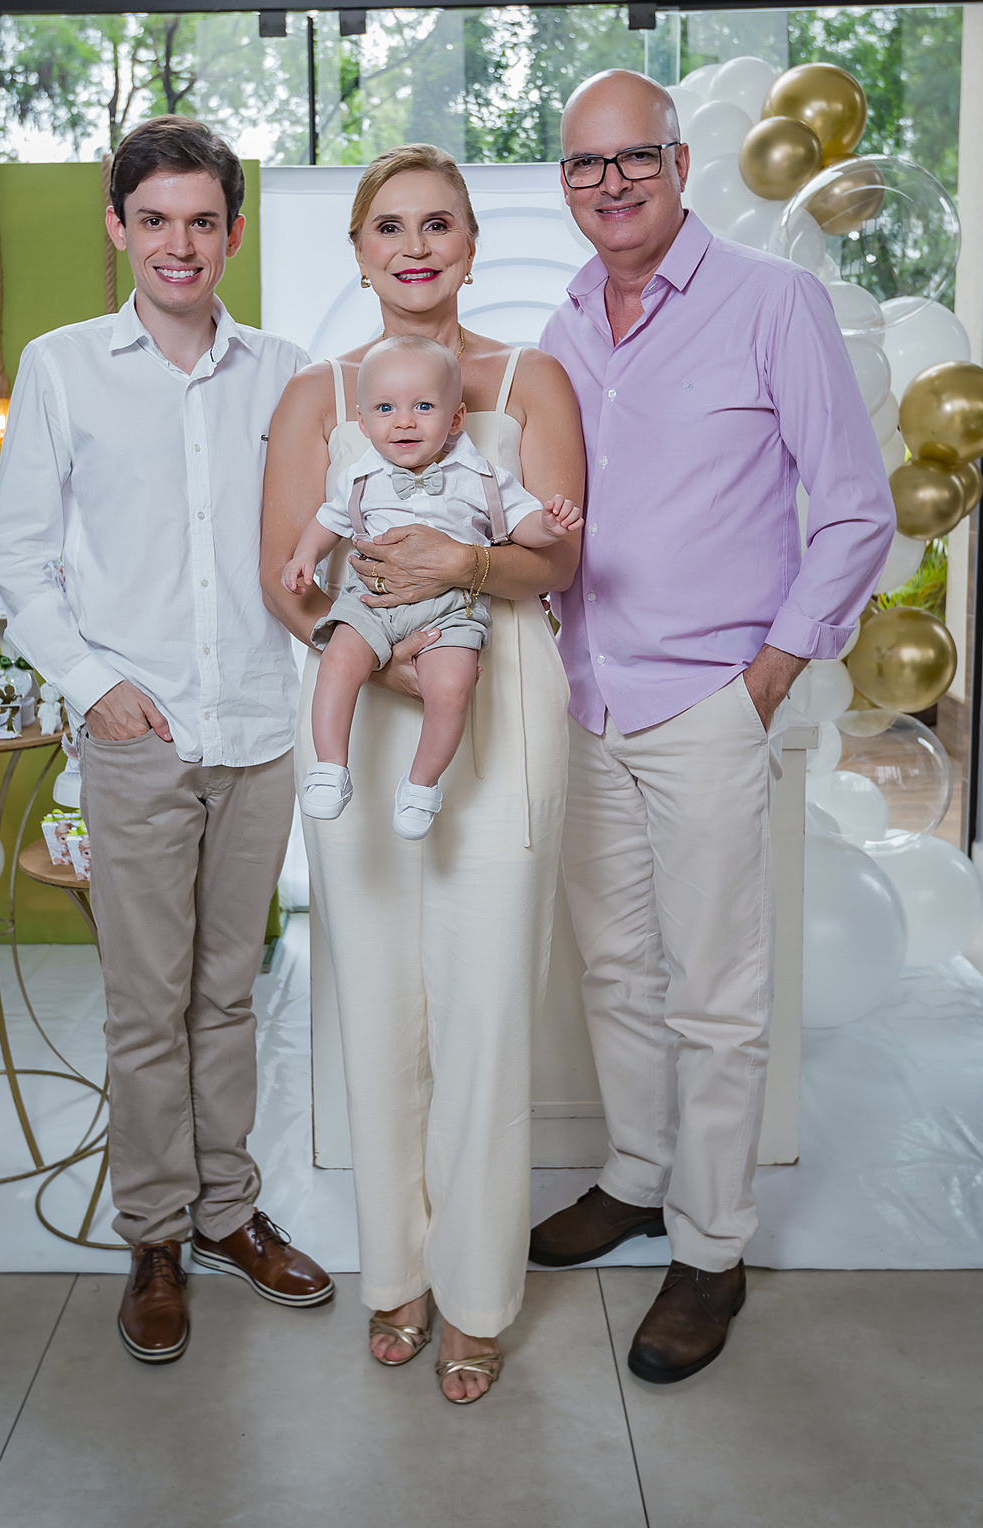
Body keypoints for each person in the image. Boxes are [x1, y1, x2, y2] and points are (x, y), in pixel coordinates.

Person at [529, 71, 896, 1383]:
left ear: (681, 165)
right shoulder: (564, 325)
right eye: (587, 164)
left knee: (718, 997)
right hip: (587, 696)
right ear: (566, 184)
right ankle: (635, 1177)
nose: (612, 182)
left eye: (635, 157)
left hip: (710, 701)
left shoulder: (771, 302)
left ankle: (712, 1247)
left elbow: (853, 506)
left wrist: (774, 669)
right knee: (615, 971)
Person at [0, 115, 333, 1367]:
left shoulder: (287, 372)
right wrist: (94, 687)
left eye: (201, 221)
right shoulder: (62, 366)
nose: (178, 244)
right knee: (148, 1005)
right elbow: (16, 558)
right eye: (154, 220)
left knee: (229, 993)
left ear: (233, 232)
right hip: (135, 735)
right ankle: (153, 1236)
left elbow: (320, 537)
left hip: (257, 727)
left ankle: (228, 1213)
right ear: (118, 227)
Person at [261, 143, 584, 1404]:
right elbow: (287, 582)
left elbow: (556, 564)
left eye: (438, 223)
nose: (415, 246)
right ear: (357, 250)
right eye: (388, 226)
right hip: (365, 707)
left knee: (488, 1009)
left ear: (470, 243)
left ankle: (478, 1293)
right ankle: (394, 1271)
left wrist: (464, 573)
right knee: (378, 1002)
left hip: (498, 698)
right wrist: (387, 671)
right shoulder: (317, 395)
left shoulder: (530, 380)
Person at [284, 334, 582, 838]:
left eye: (423, 407)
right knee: (338, 661)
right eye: (386, 408)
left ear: (456, 418)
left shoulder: (479, 476)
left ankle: (422, 783)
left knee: (451, 686)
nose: (404, 421)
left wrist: (548, 527)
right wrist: (304, 557)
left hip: (452, 605)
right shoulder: (360, 478)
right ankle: (330, 766)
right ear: (363, 423)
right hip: (371, 599)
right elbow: (327, 520)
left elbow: (522, 520)